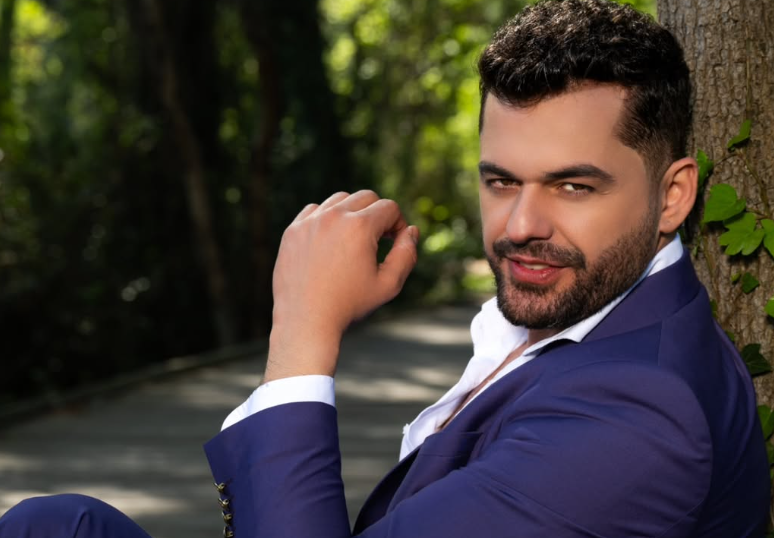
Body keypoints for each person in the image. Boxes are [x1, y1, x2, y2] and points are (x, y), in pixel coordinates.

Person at [0, 0, 769, 537]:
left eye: (574, 186)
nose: (521, 226)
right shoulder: (598, 316)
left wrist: (302, 337)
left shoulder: (638, 419)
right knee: (55, 525)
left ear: (673, 196)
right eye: (501, 181)